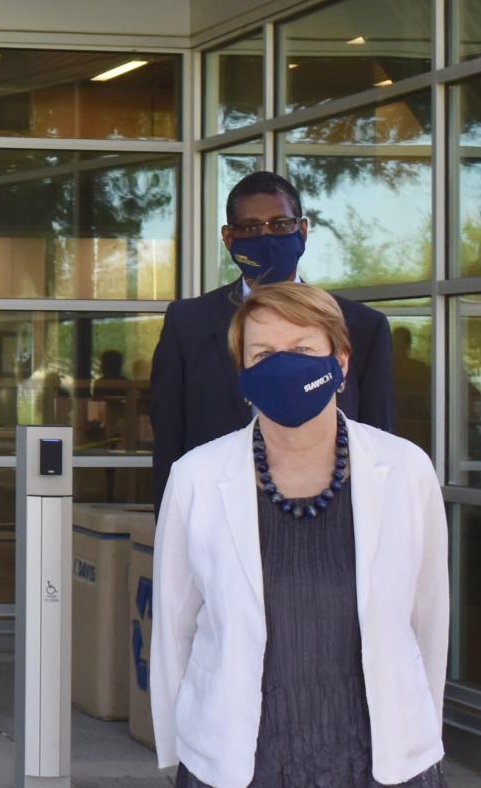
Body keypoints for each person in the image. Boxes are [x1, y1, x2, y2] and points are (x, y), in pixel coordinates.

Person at [151, 281, 448, 788]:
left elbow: (427, 619)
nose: (282, 366)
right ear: (242, 371)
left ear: (341, 362)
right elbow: (175, 629)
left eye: (303, 349)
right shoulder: (196, 477)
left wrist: (419, 729)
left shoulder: (405, 469)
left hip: (379, 760)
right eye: (262, 353)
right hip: (240, 761)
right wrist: (186, 749)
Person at [149, 170, 394, 499]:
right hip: (217, 509)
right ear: (228, 237)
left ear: (302, 229)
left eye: (280, 224)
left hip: (333, 510)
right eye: (251, 228)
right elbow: (168, 439)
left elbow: (378, 439)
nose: (266, 236)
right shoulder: (188, 323)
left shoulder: (362, 326)